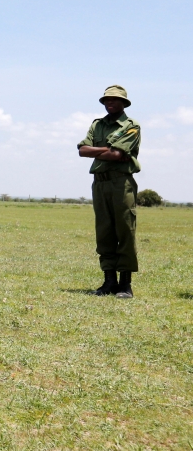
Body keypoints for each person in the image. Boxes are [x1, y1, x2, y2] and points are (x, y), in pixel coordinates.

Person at [77, 85, 141, 299]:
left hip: (121, 183)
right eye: (106, 100)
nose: (109, 103)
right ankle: (109, 281)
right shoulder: (97, 125)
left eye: (114, 100)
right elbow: (82, 150)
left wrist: (107, 153)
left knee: (124, 230)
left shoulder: (131, 126)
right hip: (100, 183)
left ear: (124, 103)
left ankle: (125, 284)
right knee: (104, 231)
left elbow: (118, 155)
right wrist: (109, 151)